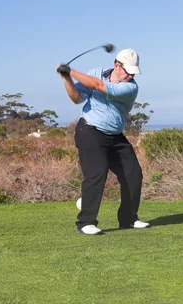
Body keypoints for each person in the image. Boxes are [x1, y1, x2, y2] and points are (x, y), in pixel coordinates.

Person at [57, 48, 149, 235]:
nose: (131, 75)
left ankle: (129, 219)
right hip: (90, 129)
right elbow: (76, 98)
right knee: (97, 172)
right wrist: (66, 78)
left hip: (115, 134)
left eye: (133, 72)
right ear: (117, 65)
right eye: (128, 71)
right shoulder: (95, 73)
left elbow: (99, 86)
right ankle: (85, 223)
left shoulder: (131, 87)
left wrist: (71, 71)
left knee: (133, 174)